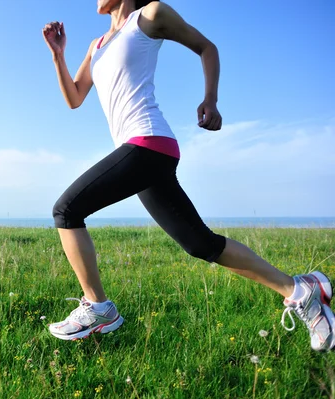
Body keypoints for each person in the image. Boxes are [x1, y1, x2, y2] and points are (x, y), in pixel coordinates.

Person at [41, 0, 334, 351]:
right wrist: (59, 54)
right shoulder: (97, 45)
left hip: (149, 141)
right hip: (143, 151)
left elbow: (207, 48)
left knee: (67, 210)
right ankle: (301, 290)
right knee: (200, 244)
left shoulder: (149, 16)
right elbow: (74, 98)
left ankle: (99, 308)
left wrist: (210, 99)